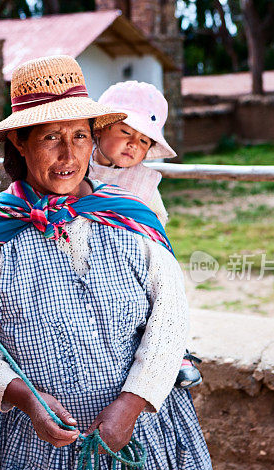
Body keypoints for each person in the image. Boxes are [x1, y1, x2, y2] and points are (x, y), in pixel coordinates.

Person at [0, 55, 224, 470]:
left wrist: (131, 404)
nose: (68, 154)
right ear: (19, 141)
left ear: (94, 138)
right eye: (50, 137)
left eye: (79, 135)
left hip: (143, 434)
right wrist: (23, 397)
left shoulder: (130, 215)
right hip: (34, 453)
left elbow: (170, 318)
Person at [91, 80, 203, 389]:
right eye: (125, 133)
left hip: (131, 259)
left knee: (163, 291)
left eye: (143, 141)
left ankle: (175, 350)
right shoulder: (75, 167)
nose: (132, 145)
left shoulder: (143, 185)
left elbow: (155, 230)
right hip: (81, 255)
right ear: (99, 130)